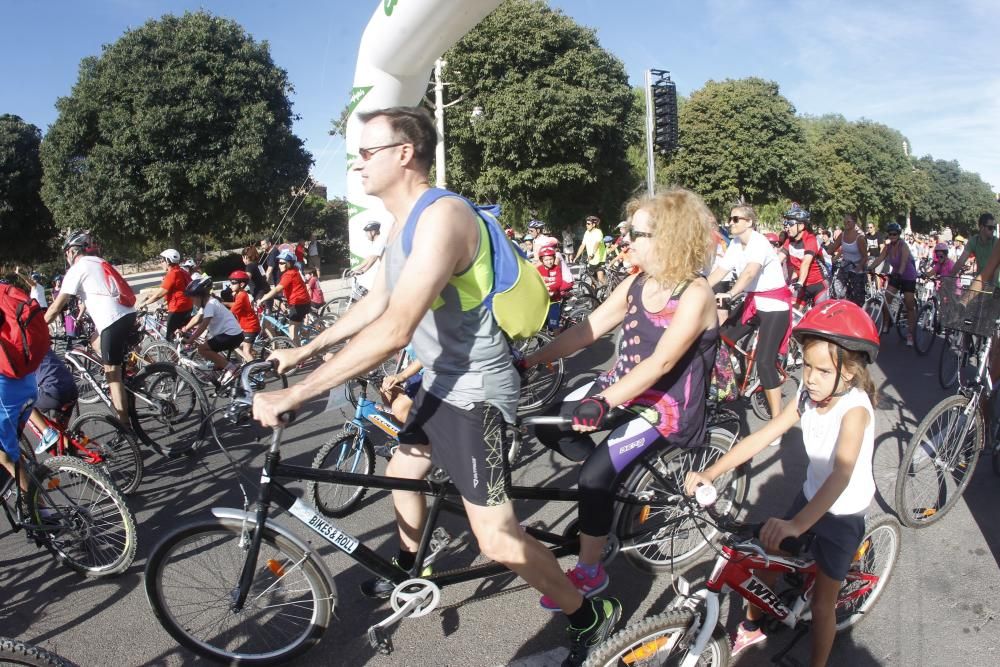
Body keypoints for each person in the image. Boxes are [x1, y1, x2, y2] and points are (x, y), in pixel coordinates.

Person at [252, 105, 617, 666]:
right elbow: (377, 301)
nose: (357, 164)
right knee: (405, 466)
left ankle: (585, 610)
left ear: (405, 153)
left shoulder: (443, 216)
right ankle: (407, 563)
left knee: (495, 538)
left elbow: (395, 327)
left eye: (367, 152)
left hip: (476, 389)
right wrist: (304, 350)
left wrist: (295, 392)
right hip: (441, 379)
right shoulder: (404, 225)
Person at [522, 187, 718, 614]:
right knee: (543, 425)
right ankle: (609, 489)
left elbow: (664, 361)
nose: (627, 240)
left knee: (592, 478)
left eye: (638, 233)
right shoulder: (636, 283)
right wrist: (535, 358)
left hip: (661, 407)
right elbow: (587, 330)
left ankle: (592, 571)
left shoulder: (695, 294)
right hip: (620, 390)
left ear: (669, 239)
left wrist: (603, 402)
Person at [685, 299, 879, 667]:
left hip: (842, 513)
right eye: (806, 366)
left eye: (823, 370)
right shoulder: (807, 397)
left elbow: (841, 476)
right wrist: (712, 471)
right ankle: (753, 625)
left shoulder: (854, 411)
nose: (809, 377)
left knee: (823, 606)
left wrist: (797, 524)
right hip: (810, 499)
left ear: (850, 373)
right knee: (766, 559)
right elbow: (762, 436)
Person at [708, 204, 791, 428]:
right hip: (753, 303)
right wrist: (699, 290)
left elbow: (750, 272)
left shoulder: (759, 243)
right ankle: (728, 383)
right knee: (719, 336)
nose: (730, 222)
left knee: (765, 362)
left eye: (736, 219)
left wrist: (731, 293)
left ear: (749, 222)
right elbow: (720, 271)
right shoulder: (735, 244)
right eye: (730, 218)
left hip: (774, 306)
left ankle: (777, 423)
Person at [44, 231, 136, 424]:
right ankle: (130, 379)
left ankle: (125, 426)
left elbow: (55, 307)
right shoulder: (99, 262)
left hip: (112, 320)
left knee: (112, 374)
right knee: (95, 340)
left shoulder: (77, 269)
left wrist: (37, 326)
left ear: (71, 251)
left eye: (66, 253)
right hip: (127, 313)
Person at [179, 276, 245, 384]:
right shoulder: (207, 304)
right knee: (212, 351)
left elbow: (204, 324)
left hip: (231, 335)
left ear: (201, 296)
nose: (192, 301)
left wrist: (190, 340)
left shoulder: (211, 304)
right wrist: (185, 329)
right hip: (230, 335)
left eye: (193, 298)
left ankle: (232, 369)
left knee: (202, 349)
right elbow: (197, 318)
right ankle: (224, 373)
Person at [867, 222, 917, 346]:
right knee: (886, 299)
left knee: (909, 304)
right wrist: (870, 268)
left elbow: (904, 261)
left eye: (894, 234)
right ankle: (886, 323)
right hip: (896, 274)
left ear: (898, 234)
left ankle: (910, 333)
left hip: (908, 276)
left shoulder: (903, 246)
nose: (892, 236)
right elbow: (880, 258)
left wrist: (899, 273)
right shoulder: (888, 247)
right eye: (890, 234)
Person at [135, 248, 193, 341]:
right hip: (188, 306)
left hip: (178, 308)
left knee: (170, 338)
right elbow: (167, 290)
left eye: (162, 261)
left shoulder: (172, 274)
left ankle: (176, 354)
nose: (161, 263)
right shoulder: (182, 271)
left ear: (168, 261)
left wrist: (144, 303)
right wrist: (149, 295)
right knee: (181, 334)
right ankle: (187, 351)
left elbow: (159, 294)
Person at [27, 349, 79, 452]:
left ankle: (47, 432)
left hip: (55, 391)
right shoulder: (39, 341)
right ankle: (76, 463)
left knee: (22, 402)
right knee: (62, 434)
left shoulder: (17, 351)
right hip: (72, 388)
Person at [259, 249, 311, 345]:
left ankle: (300, 356)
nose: (280, 265)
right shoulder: (294, 270)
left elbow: (277, 289)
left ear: (289, 263)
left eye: (282, 263)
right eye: (279, 263)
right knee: (296, 327)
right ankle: (305, 333)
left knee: (292, 334)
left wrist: (264, 298)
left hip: (298, 304)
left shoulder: (289, 274)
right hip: (302, 302)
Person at [780, 205, 828, 307]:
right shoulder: (789, 241)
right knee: (793, 314)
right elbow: (777, 259)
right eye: (786, 223)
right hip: (801, 284)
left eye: (790, 223)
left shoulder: (810, 240)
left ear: (801, 226)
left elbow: (805, 263)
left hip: (818, 284)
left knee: (820, 315)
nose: (787, 227)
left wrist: (800, 282)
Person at [827, 214, 868, 305]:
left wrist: (858, 268)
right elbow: (832, 248)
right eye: (845, 221)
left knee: (857, 296)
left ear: (854, 223)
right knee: (837, 290)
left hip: (857, 267)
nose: (846, 223)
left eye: (848, 221)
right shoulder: (842, 235)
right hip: (845, 266)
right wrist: (823, 254)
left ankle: (859, 312)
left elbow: (865, 257)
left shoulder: (859, 238)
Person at [225, 270, 260, 363]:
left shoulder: (241, 296)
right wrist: (222, 303)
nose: (231, 285)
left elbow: (232, 311)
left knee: (246, 351)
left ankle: (257, 370)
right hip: (246, 327)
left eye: (233, 283)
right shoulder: (239, 294)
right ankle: (251, 360)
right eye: (230, 283)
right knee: (236, 345)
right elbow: (235, 305)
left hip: (250, 327)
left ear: (241, 284)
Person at [951, 213, 997, 283]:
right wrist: (949, 278)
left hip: (995, 283)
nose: (993, 230)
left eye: (994, 228)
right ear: (981, 227)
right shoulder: (973, 241)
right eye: (990, 228)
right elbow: (961, 261)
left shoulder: (996, 242)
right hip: (981, 281)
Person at [536, 246, 573, 331]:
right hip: (542, 300)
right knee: (540, 324)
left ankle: (557, 341)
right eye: (546, 260)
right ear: (542, 260)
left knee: (553, 324)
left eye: (551, 259)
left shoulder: (556, 269)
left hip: (554, 300)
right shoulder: (539, 269)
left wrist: (547, 285)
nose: (549, 262)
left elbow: (558, 283)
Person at [574, 215, 607, 286]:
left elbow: (597, 243)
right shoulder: (587, 232)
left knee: (600, 278)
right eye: (586, 223)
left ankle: (610, 293)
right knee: (592, 280)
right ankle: (594, 296)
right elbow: (583, 245)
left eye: (588, 224)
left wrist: (592, 254)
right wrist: (576, 257)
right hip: (591, 260)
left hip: (599, 259)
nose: (586, 225)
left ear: (593, 224)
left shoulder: (598, 232)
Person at [352, 222, 385, 292]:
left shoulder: (380, 241)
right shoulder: (377, 242)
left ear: (373, 232)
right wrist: (356, 269)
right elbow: (369, 258)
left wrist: (363, 271)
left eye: (367, 233)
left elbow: (374, 258)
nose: (366, 235)